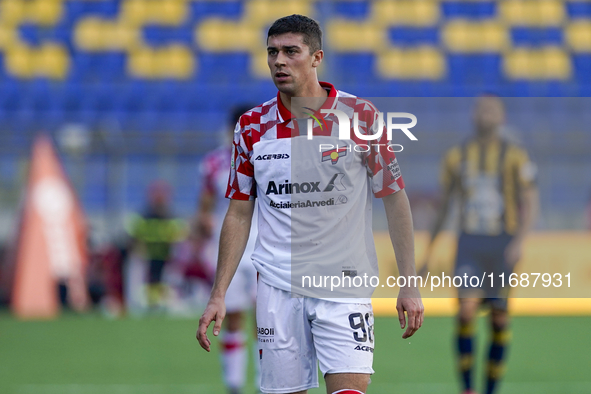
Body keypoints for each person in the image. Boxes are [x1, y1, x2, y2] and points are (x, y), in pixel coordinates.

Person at [197, 14, 424, 394]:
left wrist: (409, 282)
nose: (279, 61)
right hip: (276, 288)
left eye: (290, 51)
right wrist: (218, 292)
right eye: (272, 52)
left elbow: (394, 198)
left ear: (317, 57)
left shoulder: (360, 117)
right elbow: (238, 213)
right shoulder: (252, 127)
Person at [421, 95, 539, 394]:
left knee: (499, 318)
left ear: (502, 117)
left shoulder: (515, 155)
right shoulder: (456, 156)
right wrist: (429, 251)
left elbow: (530, 200)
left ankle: (490, 388)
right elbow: (444, 206)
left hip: (502, 244)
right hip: (469, 243)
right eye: (482, 109)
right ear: (474, 115)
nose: (486, 114)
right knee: (466, 311)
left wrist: (520, 241)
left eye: (493, 109)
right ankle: (467, 388)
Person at [194, 107, 259, 394]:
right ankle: (234, 384)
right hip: (228, 247)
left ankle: (263, 383)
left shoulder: (268, 154)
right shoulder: (214, 162)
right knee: (231, 315)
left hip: (263, 246)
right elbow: (205, 203)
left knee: (265, 318)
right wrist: (204, 221)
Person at [128, 181, 185, 310]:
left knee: (169, 279)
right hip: (147, 259)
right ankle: (143, 304)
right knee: (143, 280)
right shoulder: (142, 217)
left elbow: (179, 242)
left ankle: (166, 302)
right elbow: (133, 240)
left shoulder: (173, 218)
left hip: (166, 259)